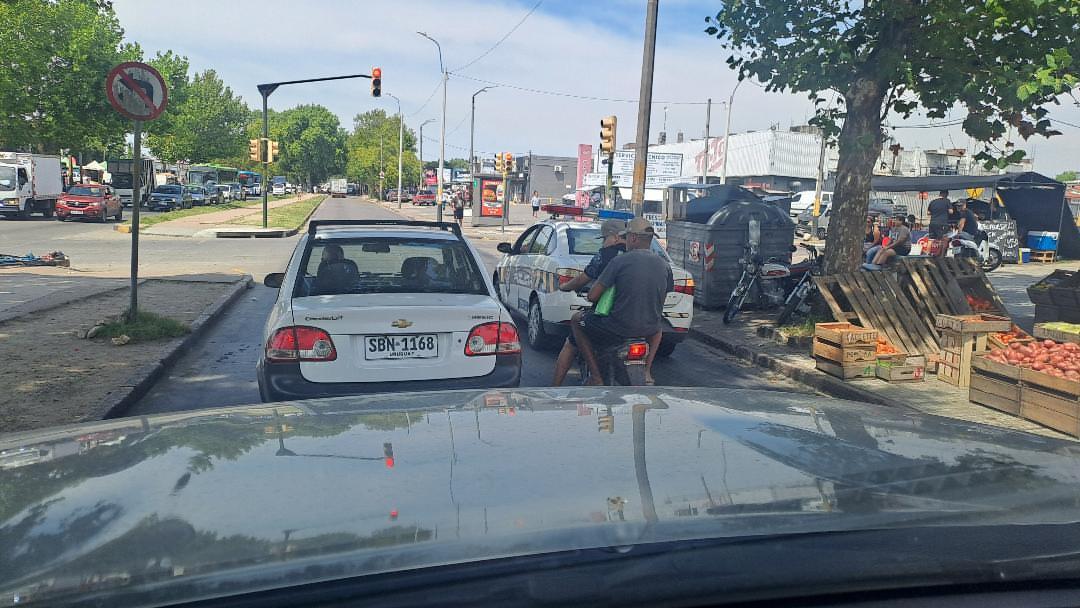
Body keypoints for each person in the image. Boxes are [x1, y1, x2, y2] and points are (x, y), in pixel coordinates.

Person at [570, 218, 673, 386]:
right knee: (658, 327)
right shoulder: (664, 265)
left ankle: (596, 377)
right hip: (649, 328)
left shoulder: (619, 261)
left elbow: (592, 296)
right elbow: (661, 299)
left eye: (627, 237)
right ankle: (647, 371)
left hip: (618, 327)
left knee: (576, 320)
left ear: (633, 238)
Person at [551, 220, 626, 386]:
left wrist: (565, 287)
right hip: (638, 318)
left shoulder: (606, 255)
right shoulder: (636, 254)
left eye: (604, 238)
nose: (603, 242)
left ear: (614, 237)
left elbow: (583, 279)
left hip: (607, 317)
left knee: (573, 339)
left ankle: (556, 388)